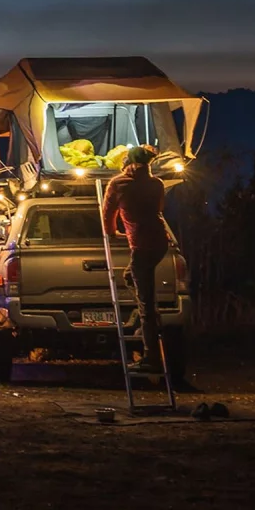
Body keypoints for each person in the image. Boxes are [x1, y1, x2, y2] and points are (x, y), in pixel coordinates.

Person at [101, 144, 170, 373]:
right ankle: (147, 325)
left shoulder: (119, 183)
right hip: (160, 241)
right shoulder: (156, 183)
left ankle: (151, 356)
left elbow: (108, 212)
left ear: (128, 162)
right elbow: (159, 208)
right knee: (131, 277)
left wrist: (112, 232)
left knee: (146, 301)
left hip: (141, 244)